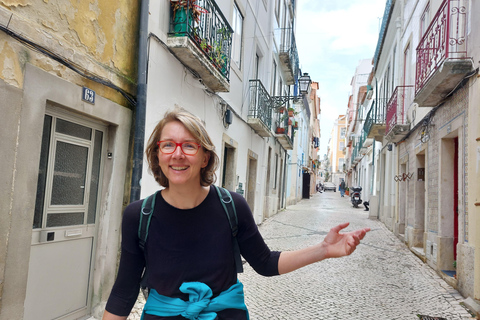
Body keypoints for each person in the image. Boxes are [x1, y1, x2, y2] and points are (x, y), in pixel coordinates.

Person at [102, 108, 370, 320]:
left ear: (205, 157)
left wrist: (323, 249)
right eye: (168, 145)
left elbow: (265, 263)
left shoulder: (232, 206)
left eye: (190, 146)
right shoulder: (139, 215)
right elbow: (124, 292)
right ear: (157, 155)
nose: (178, 154)